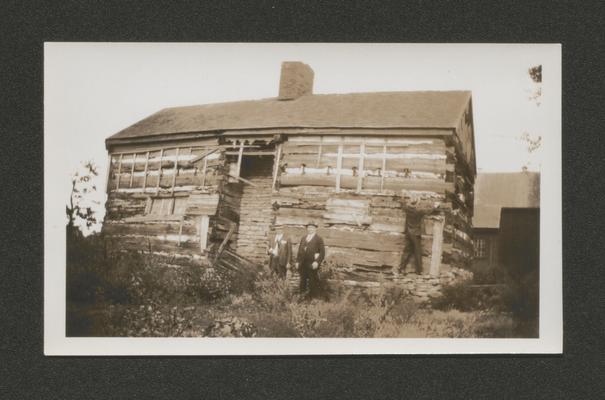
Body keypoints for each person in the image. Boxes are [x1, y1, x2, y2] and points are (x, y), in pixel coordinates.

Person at [399, 199, 440, 274]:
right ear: (417, 203)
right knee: (417, 252)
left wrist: (402, 199)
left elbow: (402, 204)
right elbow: (428, 211)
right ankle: (419, 271)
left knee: (407, 251)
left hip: (408, 232)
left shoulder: (407, 209)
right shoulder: (418, 211)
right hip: (415, 233)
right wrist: (435, 206)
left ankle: (401, 269)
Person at [295, 222, 325, 299]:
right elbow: (300, 251)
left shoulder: (318, 239)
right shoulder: (304, 238)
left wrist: (317, 262)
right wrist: (297, 261)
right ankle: (302, 297)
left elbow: (322, 253)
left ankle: (312, 299)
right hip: (303, 264)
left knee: (312, 282)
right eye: (308, 227)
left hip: (312, 264)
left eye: (312, 227)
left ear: (315, 229)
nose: (310, 229)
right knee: (302, 281)